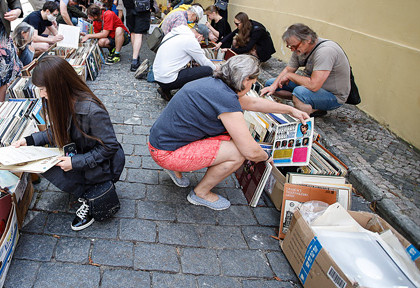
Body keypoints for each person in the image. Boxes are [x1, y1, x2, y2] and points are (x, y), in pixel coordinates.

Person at [148, 55, 308, 210]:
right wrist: (266, 157)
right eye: (252, 82)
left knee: (230, 138)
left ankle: (176, 169)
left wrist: (290, 110)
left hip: (161, 143)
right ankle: (200, 193)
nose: (251, 86)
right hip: (166, 152)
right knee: (238, 152)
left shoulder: (216, 84)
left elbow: (252, 102)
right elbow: (250, 151)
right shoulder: (225, 97)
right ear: (245, 80)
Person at [12, 56, 125, 230]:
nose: (42, 94)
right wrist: (28, 141)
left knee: (58, 168)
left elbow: (110, 147)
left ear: (59, 85)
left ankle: (92, 194)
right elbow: (56, 130)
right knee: (43, 165)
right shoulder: (61, 101)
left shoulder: (92, 111)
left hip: (103, 165)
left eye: (44, 89)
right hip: (80, 154)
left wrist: (75, 163)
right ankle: (82, 186)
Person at [260, 23, 351, 118]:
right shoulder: (300, 48)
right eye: (290, 47)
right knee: (270, 84)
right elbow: (289, 69)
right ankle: (302, 102)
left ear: (308, 40)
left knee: (300, 92)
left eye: (294, 46)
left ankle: (308, 114)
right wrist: (274, 86)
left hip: (333, 96)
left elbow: (314, 85)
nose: (292, 50)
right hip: (310, 87)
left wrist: (290, 76)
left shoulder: (325, 51)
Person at [153, 23, 216, 101]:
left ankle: (165, 89)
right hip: (168, 79)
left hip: (158, 76)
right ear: (200, 37)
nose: (200, 42)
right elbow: (204, 62)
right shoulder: (190, 40)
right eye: (202, 40)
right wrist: (218, 69)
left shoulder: (174, 33)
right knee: (208, 70)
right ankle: (191, 94)